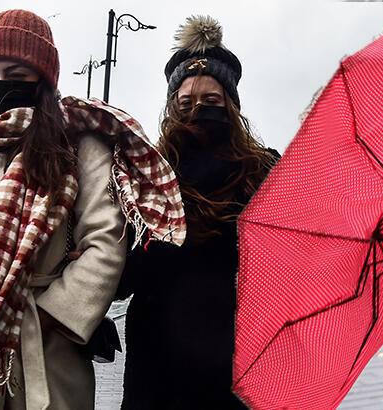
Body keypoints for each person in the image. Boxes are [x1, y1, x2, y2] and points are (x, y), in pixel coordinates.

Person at [0, 9, 184, 409]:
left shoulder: (79, 147)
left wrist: (55, 314)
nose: (1, 85)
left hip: (47, 347)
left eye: (17, 75)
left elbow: (105, 240)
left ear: (43, 79)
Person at [118, 15, 279, 409]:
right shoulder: (145, 175)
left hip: (233, 356)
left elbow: (281, 262)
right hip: (157, 361)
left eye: (211, 102)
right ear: (171, 108)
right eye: (185, 103)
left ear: (231, 106)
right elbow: (120, 276)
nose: (197, 111)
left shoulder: (261, 171)